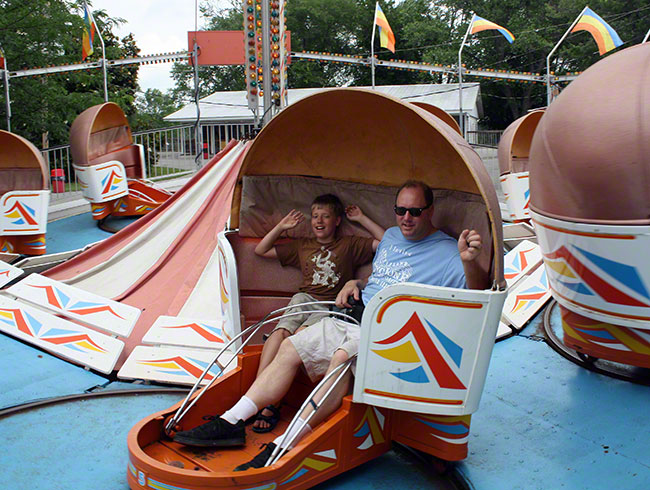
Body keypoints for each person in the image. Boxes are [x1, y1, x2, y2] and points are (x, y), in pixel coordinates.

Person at [173, 180, 488, 470]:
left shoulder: (449, 253)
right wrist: (356, 282)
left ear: (429, 211)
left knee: (340, 358)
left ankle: (286, 443)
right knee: (289, 346)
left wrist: (470, 262)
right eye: (400, 210)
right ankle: (231, 422)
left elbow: (477, 298)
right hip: (352, 314)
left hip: (389, 334)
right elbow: (381, 278)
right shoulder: (392, 236)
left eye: (415, 212)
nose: (406, 218)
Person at [249, 194, 384, 432]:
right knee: (279, 332)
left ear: (337, 221)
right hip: (303, 298)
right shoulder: (303, 245)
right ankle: (257, 396)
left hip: (329, 304)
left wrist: (362, 218)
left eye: (325, 216)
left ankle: (271, 403)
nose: (319, 221)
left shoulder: (350, 244)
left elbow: (388, 244)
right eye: (314, 216)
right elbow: (261, 250)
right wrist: (281, 226)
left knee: (297, 338)